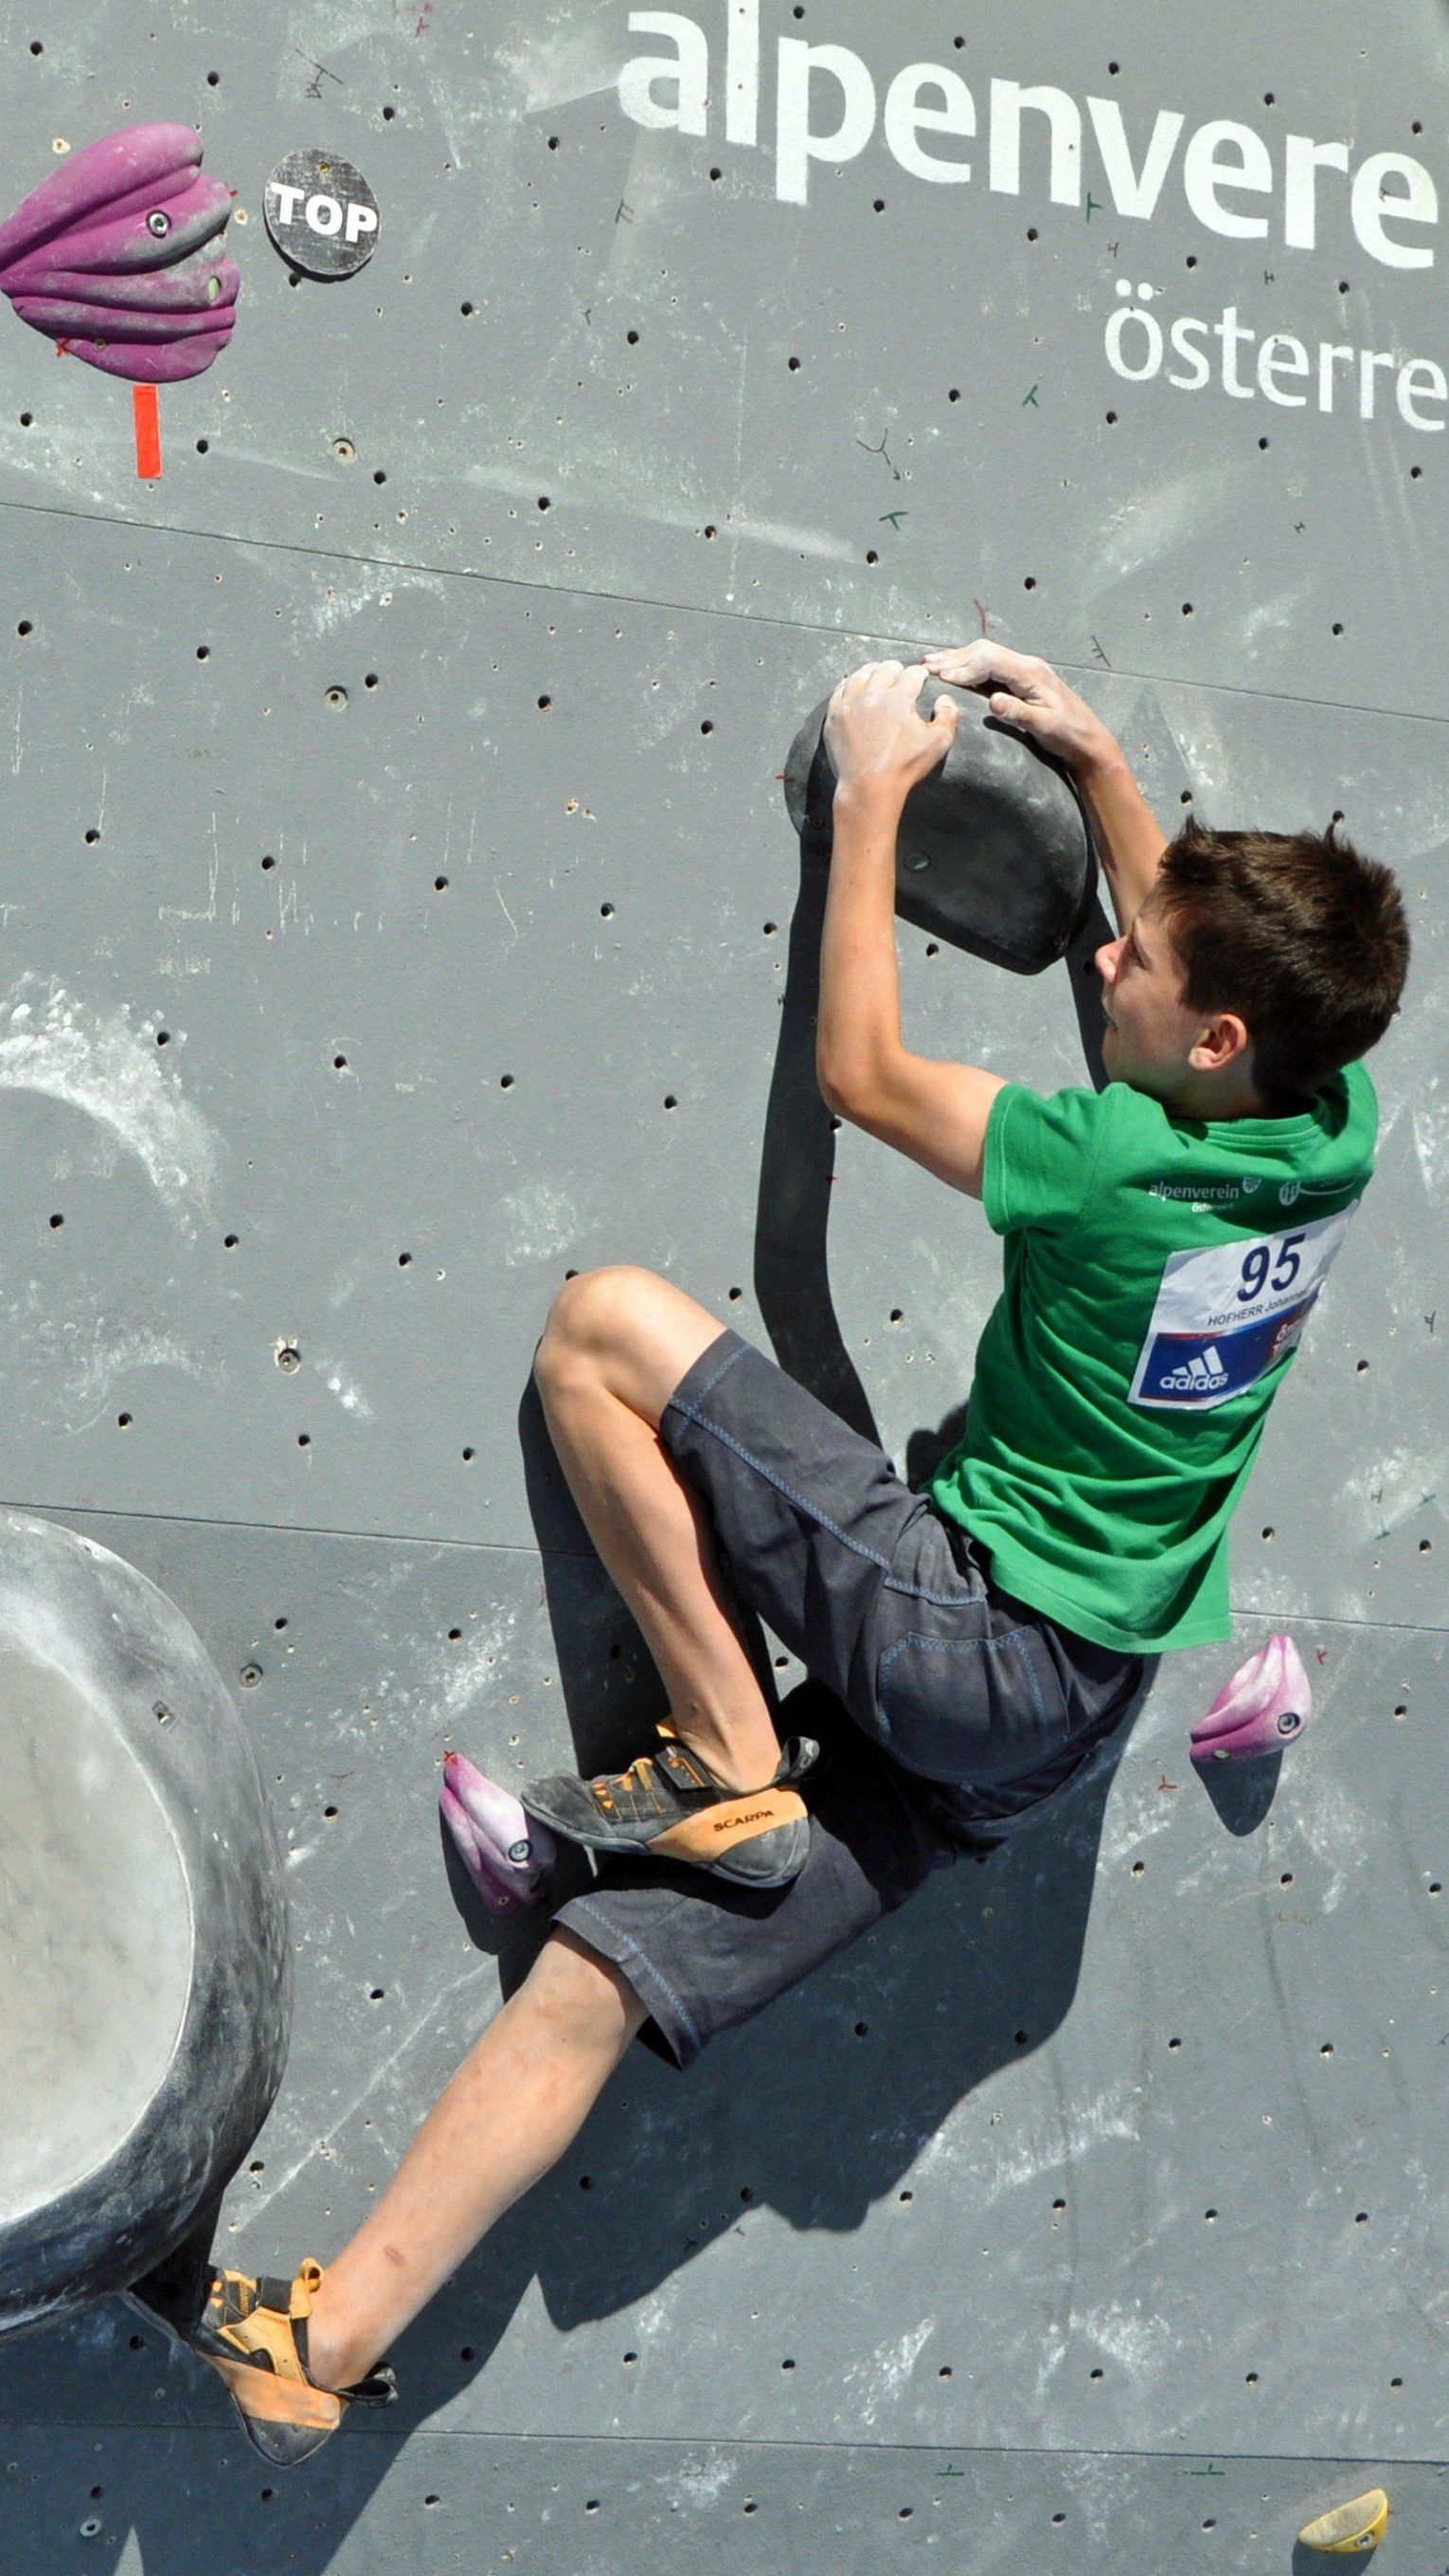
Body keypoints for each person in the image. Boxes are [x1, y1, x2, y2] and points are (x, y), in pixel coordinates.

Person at [171, 646, 1409, 2462]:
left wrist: (869, 798)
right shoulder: (1329, 1134)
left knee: (600, 1329)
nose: (1100, 954)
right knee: (610, 1968)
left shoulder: (1095, 1166)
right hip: (1058, 1728)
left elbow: (854, 1069)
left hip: (971, 1638)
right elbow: (1206, 971)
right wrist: (1104, 766)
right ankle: (324, 2336)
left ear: (1212, 1042)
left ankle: (729, 1754)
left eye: (1133, 963)